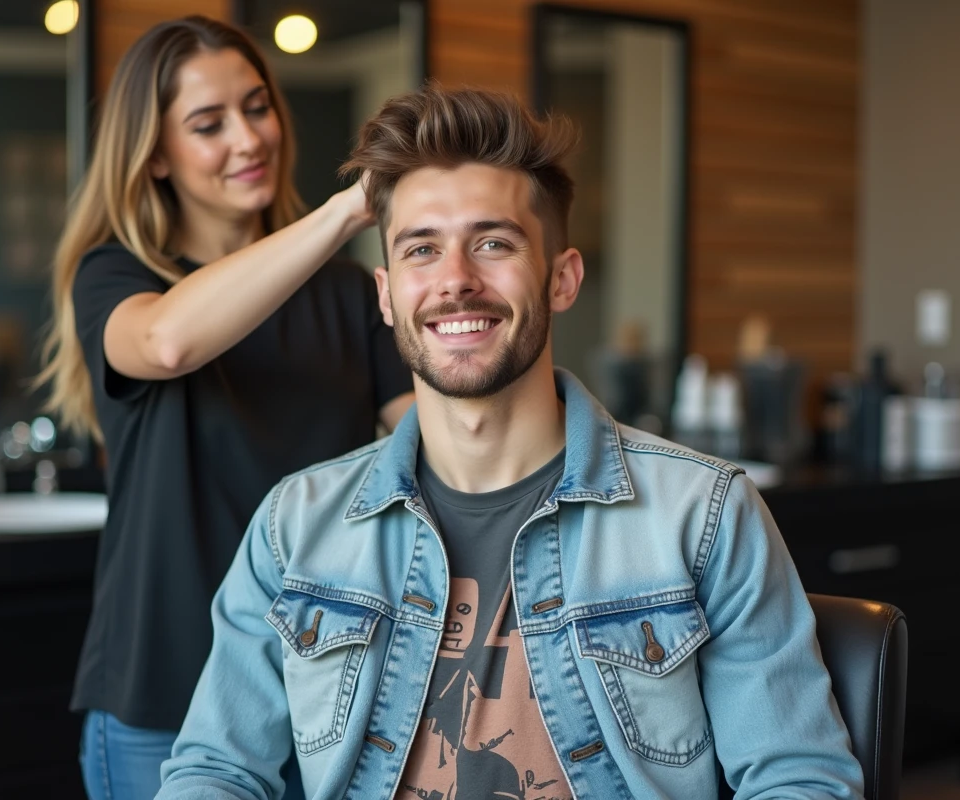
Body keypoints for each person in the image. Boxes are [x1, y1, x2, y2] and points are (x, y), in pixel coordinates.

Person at [158, 86, 865, 800]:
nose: (456, 281)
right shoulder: (295, 525)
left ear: (562, 279)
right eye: (422, 249)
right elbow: (215, 771)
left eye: (493, 243)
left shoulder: (705, 517)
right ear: (386, 293)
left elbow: (799, 779)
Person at [34, 16, 413, 799]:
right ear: (157, 155)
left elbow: (437, 444)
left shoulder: (347, 295)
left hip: (329, 698)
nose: (249, 139)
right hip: (163, 702)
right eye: (208, 125)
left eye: (257, 107)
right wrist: (347, 213)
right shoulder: (117, 277)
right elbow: (169, 342)